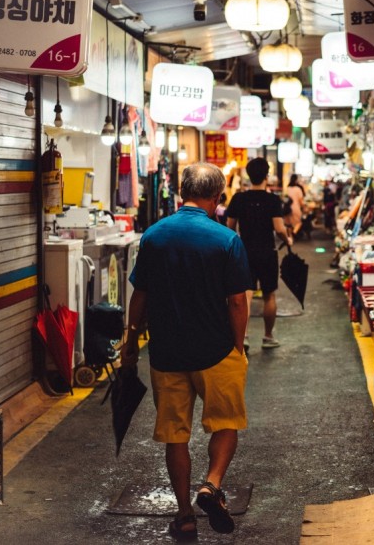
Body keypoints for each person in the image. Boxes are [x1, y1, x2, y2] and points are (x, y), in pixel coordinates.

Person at [122, 163, 251, 541]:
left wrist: (131, 342)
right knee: (226, 423)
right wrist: (237, 347)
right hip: (216, 350)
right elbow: (237, 302)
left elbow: (140, 295)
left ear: (181, 194)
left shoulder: (154, 236)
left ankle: (184, 516)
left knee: (176, 436)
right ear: (216, 198)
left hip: (167, 353)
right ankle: (210, 485)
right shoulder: (225, 238)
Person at [226, 157, 292, 350]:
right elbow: (279, 228)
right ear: (267, 175)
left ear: (248, 175)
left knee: (246, 294)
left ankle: (243, 336)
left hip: (244, 252)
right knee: (269, 295)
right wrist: (287, 240)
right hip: (267, 252)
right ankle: (268, 336)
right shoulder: (272, 200)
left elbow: (229, 227)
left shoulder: (239, 198)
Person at [283, 173, 307, 238]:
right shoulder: (298, 189)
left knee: (289, 224)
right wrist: (304, 207)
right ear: (296, 180)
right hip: (295, 208)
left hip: (287, 208)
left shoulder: (287, 188)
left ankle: (290, 238)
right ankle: (294, 233)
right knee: (298, 223)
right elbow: (301, 201)